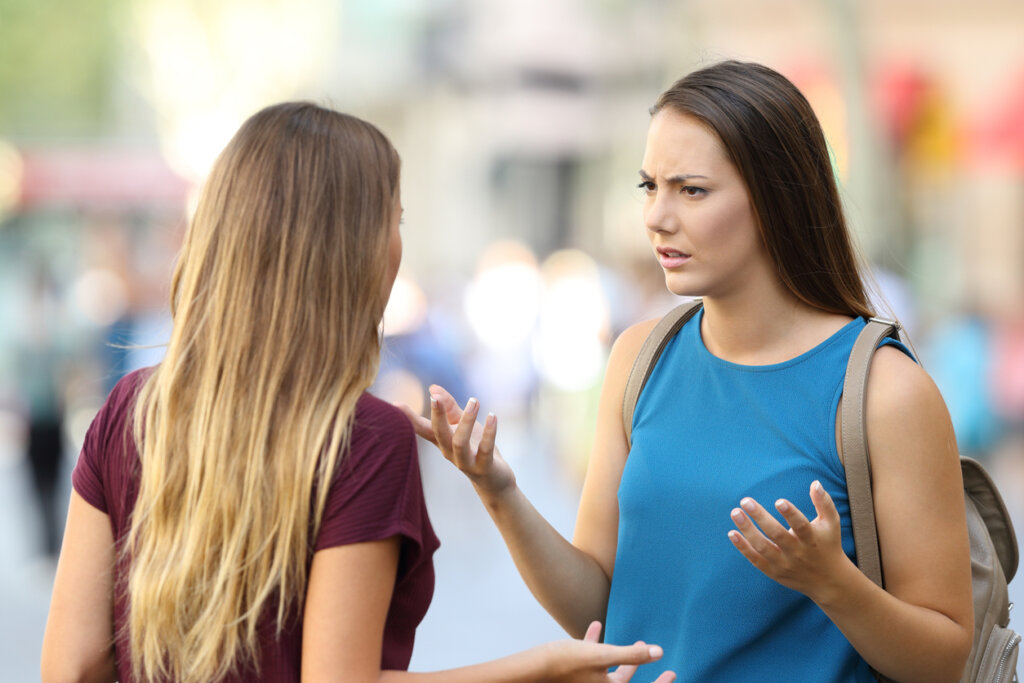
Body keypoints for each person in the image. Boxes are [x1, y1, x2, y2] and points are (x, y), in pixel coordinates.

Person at [40, 102, 676, 683]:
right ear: (350, 248)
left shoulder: (130, 409)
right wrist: (539, 669)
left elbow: (71, 667)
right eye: (393, 220)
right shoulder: (364, 438)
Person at [405, 61, 974, 682]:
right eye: (649, 185)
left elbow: (945, 659)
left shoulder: (885, 391)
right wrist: (498, 489)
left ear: (777, 199)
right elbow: (596, 611)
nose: (656, 216)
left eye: (692, 190)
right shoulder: (640, 357)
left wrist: (833, 583)